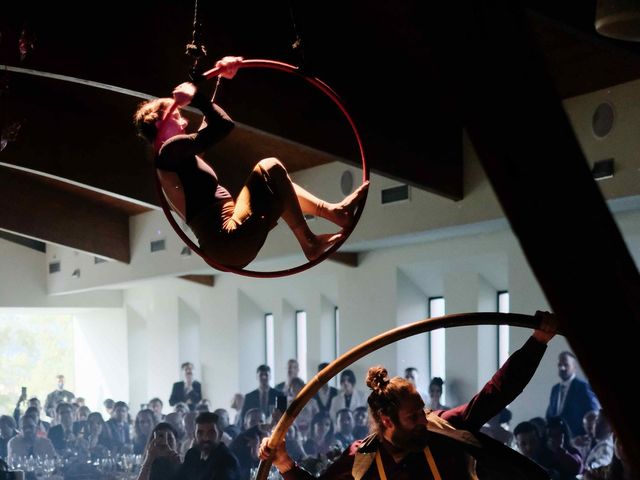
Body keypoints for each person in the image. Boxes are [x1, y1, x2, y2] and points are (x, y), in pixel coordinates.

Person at [133, 55, 369, 269]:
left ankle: (333, 212)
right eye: (176, 117)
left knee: (276, 181)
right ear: (158, 125)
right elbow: (222, 126)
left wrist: (223, 78)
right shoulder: (168, 151)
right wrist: (196, 97)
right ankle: (310, 243)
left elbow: (210, 122)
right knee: (269, 166)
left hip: (228, 243)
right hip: (226, 239)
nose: (184, 123)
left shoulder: (177, 158)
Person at [260, 311, 558, 479]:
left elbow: (497, 392)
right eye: (413, 416)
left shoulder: (445, 429)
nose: (422, 419)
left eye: (421, 410)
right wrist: (285, 462)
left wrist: (538, 342)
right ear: (387, 421)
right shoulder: (362, 458)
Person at [546, 350, 600, 439]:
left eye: (566, 365)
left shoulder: (583, 387)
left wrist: (587, 437)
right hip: (559, 441)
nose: (562, 368)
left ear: (574, 367)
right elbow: (550, 415)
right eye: (559, 365)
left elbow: (593, 415)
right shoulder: (555, 389)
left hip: (579, 440)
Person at [175, 411, 241, 480]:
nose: (206, 438)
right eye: (200, 433)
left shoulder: (227, 460)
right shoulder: (192, 454)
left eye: (211, 433)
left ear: (220, 435)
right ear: (194, 435)